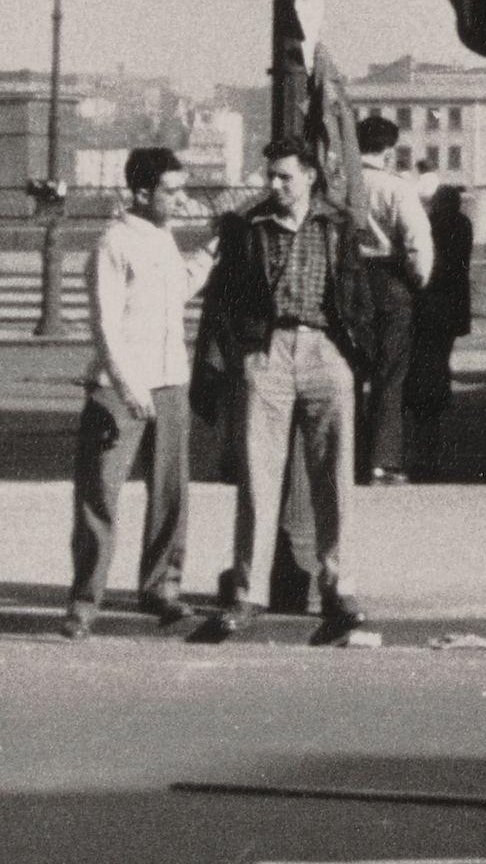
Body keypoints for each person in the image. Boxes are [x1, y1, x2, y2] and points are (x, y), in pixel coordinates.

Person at [191, 143, 368, 646]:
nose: (274, 185)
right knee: (258, 475)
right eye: (270, 176)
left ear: (310, 176)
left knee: (334, 475)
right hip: (267, 351)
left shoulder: (337, 225)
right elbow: (225, 296)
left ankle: (338, 588)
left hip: (324, 348)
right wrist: (243, 354)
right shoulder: (250, 227)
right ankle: (248, 592)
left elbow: (357, 293)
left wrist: (353, 354)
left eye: (285, 176)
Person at [64, 147, 206, 637]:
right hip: (120, 390)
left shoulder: (163, 237)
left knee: (171, 493)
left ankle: (161, 589)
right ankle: (84, 604)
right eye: (172, 191)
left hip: (170, 382)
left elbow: (178, 290)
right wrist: (128, 386)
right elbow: (104, 325)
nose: (181, 199)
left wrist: (211, 252)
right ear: (142, 193)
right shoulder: (113, 243)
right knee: (99, 495)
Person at [343, 114, 432, 485]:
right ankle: (382, 461)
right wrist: (417, 281)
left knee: (349, 371)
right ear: (389, 150)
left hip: (348, 279)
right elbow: (417, 243)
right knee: (390, 374)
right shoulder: (397, 187)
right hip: (389, 280)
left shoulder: (342, 184)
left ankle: (347, 456)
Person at [404, 182, 478, 482]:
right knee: (441, 360)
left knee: (422, 362)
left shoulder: (430, 223)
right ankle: (435, 407)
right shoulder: (464, 225)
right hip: (452, 303)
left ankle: (423, 425)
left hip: (427, 303)